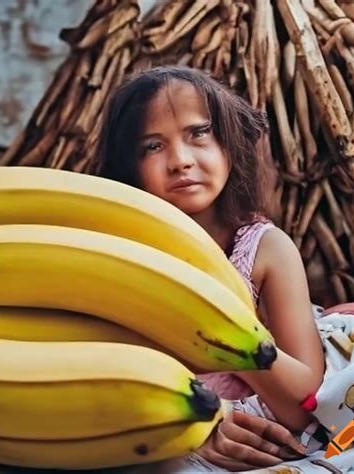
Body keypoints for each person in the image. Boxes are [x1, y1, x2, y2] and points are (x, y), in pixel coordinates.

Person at [96, 65, 325, 471]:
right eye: (152, 146)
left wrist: (226, 335)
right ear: (128, 166)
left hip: (258, 441)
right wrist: (191, 425)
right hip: (151, 433)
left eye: (198, 133)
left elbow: (307, 404)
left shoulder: (265, 250)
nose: (180, 161)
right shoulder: (118, 257)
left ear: (229, 143)